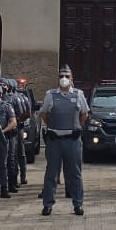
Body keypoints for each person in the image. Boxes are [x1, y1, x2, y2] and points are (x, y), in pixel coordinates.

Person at [39, 63, 89, 216]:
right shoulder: (51, 95)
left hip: (72, 141)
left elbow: (84, 114)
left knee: (75, 174)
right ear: (58, 78)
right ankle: (48, 204)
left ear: (72, 78)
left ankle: (78, 204)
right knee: (51, 174)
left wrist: (76, 127)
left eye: (67, 76)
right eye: (61, 76)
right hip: (55, 140)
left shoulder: (78, 95)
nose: (64, 79)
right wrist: (53, 126)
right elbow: (44, 113)